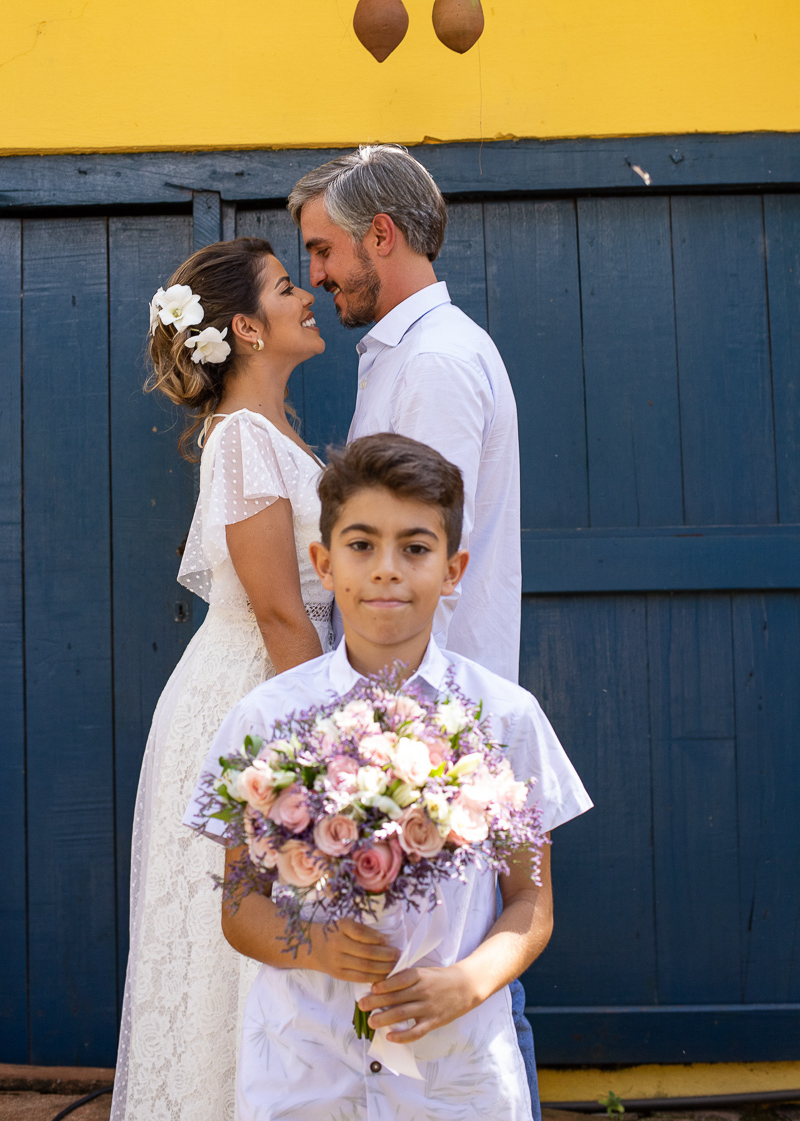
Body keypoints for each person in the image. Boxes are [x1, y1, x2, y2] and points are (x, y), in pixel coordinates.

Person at [185, 434, 592, 1121]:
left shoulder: (504, 717)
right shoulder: (266, 718)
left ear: (453, 568)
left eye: (415, 548)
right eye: (362, 545)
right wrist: (317, 946)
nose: (386, 570)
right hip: (306, 1062)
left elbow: (531, 902)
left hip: (453, 1070)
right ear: (324, 560)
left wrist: (469, 981)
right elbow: (240, 909)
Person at [287, 144, 540, 1101]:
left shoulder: (432, 362)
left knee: (469, 991)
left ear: (379, 238)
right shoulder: (409, 350)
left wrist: (373, 723)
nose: (316, 275)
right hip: (414, 714)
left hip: (430, 720)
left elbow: (404, 562)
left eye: (323, 251)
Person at [111, 237, 334, 1121]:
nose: (308, 294)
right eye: (288, 287)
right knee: (239, 944)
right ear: (246, 327)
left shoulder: (272, 433)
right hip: (257, 698)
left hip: (275, 680)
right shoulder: (244, 438)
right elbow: (281, 611)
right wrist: (337, 750)